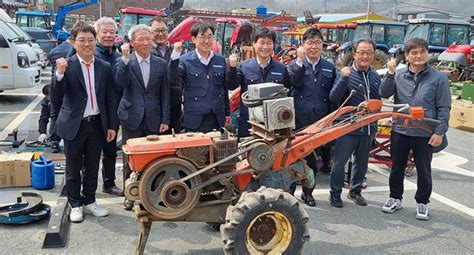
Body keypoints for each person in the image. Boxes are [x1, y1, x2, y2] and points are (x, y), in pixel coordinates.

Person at [50, 22, 118, 223]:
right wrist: (59, 74)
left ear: (95, 41)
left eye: (90, 40)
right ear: (73, 42)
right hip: (74, 124)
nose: (87, 44)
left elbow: (110, 99)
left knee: (92, 166)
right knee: (72, 168)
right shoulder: (66, 65)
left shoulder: (104, 67)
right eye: (82, 40)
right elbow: (55, 97)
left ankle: (89, 200)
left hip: (96, 123)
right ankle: (75, 204)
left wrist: (112, 125)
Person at [380, 38, 451, 220]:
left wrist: (440, 131)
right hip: (400, 130)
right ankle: (395, 198)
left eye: (422, 52)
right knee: (397, 167)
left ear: (427, 54)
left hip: (425, 132)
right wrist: (389, 72)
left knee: (424, 169)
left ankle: (423, 202)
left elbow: (444, 107)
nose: (418, 56)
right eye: (414, 52)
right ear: (407, 56)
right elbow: (384, 93)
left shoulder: (439, 78)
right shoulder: (399, 75)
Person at [116, 24, 170, 210]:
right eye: (141, 39)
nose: (146, 42)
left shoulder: (160, 64)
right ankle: (129, 194)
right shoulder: (125, 61)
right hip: (131, 115)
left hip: (154, 117)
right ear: (132, 42)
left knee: (153, 158)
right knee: (130, 158)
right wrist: (124, 59)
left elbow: (165, 94)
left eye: (148, 38)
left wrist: (165, 119)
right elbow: (119, 83)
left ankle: (151, 194)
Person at [287, 28, 337, 207]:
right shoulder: (294, 65)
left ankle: (308, 193)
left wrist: (331, 119)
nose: (314, 47)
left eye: (317, 43)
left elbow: (333, 95)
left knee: (312, 161)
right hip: (297, 120)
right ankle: (290, 192)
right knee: (293, 158)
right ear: (303, 45)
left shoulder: (330, 67)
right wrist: (299, 61)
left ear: (322, 45)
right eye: (310, 43)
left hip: (319, 121)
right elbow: (295, 83)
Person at [328, 39, 381, 208]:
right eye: (361, 52)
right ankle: (335, 193)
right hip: (347, 126)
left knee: (362, 162)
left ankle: (355, 191)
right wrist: (343, 79)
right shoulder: (346, 73)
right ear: (354, 54)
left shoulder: (375, 76)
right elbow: (334, 97)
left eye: (369, 53)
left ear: (373, 55)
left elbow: (378, 100)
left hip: (367, 128)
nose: (365, 56)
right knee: (339, 162)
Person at [227, 27, 290, 139]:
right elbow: (232, 85)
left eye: (269, 43)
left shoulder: (281, 68)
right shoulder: (244, 66)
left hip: (273, 124)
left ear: (273, 46)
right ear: (254, 44)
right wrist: (232, 68)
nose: (265, 47)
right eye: (262, 43)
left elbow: (286, 95)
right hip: (249, 123)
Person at [169, 22, 231, 132]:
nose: (207, 41)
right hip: (194, 119)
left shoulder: (220, 60)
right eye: (202, 37)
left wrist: (227, 113)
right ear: (193, 39)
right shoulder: (184, 60)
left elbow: (224, 88)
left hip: (217, 118)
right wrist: (175, 55)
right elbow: (173, 78)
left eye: (210, 37)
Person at [94, 17, 124, 197]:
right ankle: (84, 185)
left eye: (111, 32)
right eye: (104, 32)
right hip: (95, 110)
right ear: (97, 34)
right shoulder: (92, 54)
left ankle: (109, 183)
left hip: (114, 110)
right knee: (89, 151)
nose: (108, 35)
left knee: (110, 150)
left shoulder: (119, 57)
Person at [150, 16, 183, 133]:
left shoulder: (178, 50)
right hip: (154, 107)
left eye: (163, 30)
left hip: (175, 106)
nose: (160, 34)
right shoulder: (146, 53)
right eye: (156, 31)